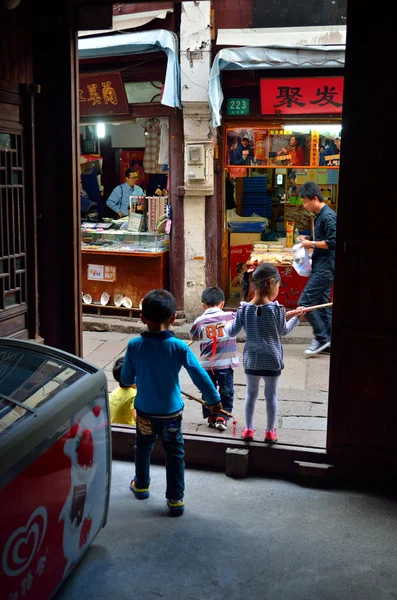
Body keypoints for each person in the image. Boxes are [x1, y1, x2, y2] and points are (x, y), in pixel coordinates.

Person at [121, 289, 222, 516]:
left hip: (145, 412)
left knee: (143, 447)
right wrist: (213, 400)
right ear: (174, 318)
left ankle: (142, 485)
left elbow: (126, 379)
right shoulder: (178, 347)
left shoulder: (134, 346)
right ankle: (175, 499)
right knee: (175, 453)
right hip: (171, 415)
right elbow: (199, 375)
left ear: (142, 318)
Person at [224, 263, 306, 443]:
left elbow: (230, 332)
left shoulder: (243, 309)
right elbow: (283, 331)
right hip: (272, 360)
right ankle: (270, 432)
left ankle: (248, 430)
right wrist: (297, 318)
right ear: (271, 283)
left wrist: (225, 324)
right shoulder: (277, 310)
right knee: (271, 396)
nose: (278, 289)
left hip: (252, 360)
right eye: (278, 285)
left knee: (251, 395)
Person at [189, 287, 239, 431]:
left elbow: (193, 337)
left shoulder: (199, 321)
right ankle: (223, 417)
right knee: (226, 390)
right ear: (222, 303)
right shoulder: (231, 316)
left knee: (207, 390)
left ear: (203, 305)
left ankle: (212, 415)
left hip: (206, 365)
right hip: (225, 364)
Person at [297, 181, 337, 356]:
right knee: (322, 305)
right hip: (322, 266)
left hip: (326, 268)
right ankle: (328, 343)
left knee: (303, 303)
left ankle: (321, 338)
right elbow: (323, 239)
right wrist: (308, 239)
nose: (305, 206)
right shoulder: (319, 215)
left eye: (306, 202)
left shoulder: (328, 216)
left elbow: (333, 242)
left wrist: (311, 243)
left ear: (314, 198)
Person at [109, 357, 137, 426]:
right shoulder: (134, 394)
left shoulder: (114, 392)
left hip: (114, 430)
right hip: (127, 432)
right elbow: (137, 418)